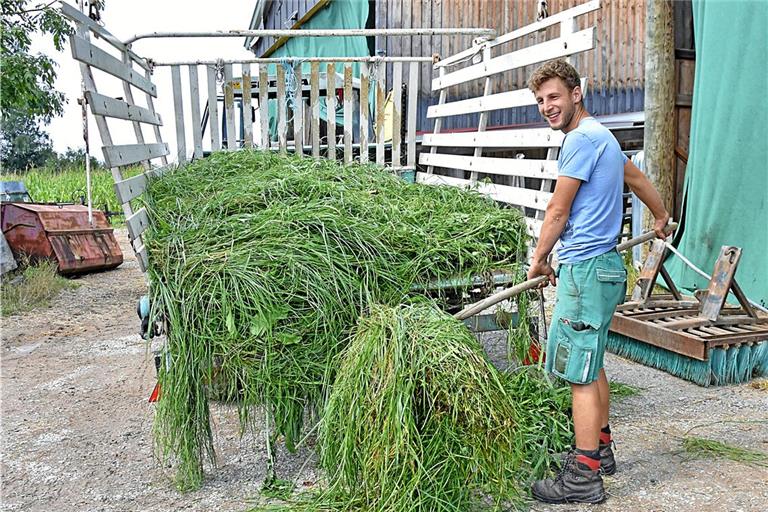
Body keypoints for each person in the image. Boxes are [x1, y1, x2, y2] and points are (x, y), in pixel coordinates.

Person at [525, 59, 670, 504]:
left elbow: (558, 210)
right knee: (593, 363)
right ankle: (601, 448)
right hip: (605, 270)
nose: (547, 107)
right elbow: (638, 178)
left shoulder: (580, 140)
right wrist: (661, 216)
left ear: (576, 93)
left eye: (554, 96)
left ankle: (583, 476)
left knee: (578, 375)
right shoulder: (604, 139)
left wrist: (539, 260)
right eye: (540, 101)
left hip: (586, 271)